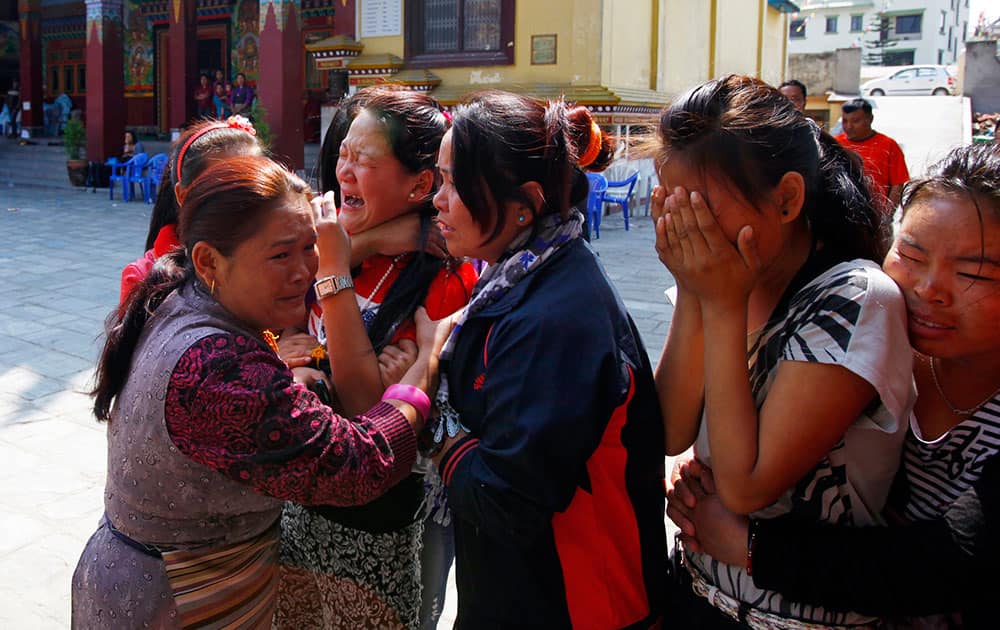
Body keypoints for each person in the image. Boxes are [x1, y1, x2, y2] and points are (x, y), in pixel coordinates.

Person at [72, 154, 452, 628]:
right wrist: (420, 372)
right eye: (280, 255)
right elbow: (358, 463)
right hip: (176, 601)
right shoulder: (217, 366)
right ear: (209, 260)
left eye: (311, 247)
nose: (304, 271)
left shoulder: (180, 299)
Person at [667, 142, 1000, 628]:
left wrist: (749, 546)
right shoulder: (878, 338)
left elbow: (950, 562)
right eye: (910, 254)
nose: (929, 289)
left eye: (972, 272)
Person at [652, 75, 914, 628]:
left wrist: (719, 303)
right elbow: (669, 432)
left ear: (788, 198)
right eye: (671, 202)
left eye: (701, 206)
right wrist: (696, 292)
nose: (684, 224)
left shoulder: (854, 298)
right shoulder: (717, 282)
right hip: (697, 595)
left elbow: (746, 485)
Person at [427, 90, 668, 628]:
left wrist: (431, 421)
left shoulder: (554, 320)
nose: (437, 201)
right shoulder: (522, 272)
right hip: (524, 589)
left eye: (453, 183)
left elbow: (503, 499)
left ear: (525, 204)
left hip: (578, 601)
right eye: (438, 180)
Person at [274, 86, 477, 629]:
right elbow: (284, 335)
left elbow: (364, 402)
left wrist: (335, 274)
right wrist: (353, 250)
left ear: (420, 183)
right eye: (343, 153)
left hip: (384, 524)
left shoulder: (445, 280)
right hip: (306, 503)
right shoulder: (335, 245)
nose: (344, 171)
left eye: (364, 160)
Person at [119, 116, 263, 305]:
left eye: (255, 186)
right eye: (225, 187)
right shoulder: (144, 279)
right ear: (184, 194)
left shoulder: (276, 254)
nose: (244, 202)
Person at [836, 98, 910, 212]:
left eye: (855, 121)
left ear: (870, 119)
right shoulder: (835, 145)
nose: (849, 126)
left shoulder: (889, 145)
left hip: (877, 217)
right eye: (845, 121)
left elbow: (898, 184)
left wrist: (886, 215)